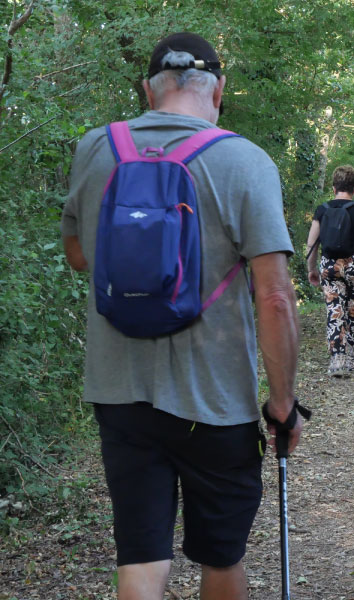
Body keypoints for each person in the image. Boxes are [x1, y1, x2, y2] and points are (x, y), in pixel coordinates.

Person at [61, 33, 303, 600]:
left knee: (141, 560)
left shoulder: (96, 148)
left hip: (120, 391)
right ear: (218, 90)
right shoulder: (244, 160)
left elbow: (78, 255)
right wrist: (283, 404)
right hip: (215, 403)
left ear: (148, 89)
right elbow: (274, 297)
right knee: (220, 559)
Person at [306, 165, 354, 376]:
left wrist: (312, 269)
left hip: (329, 265)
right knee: (353, 309)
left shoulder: (322, 210)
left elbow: (312, 243)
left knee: (334, 310)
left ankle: (337, 360)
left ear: (333, 187)